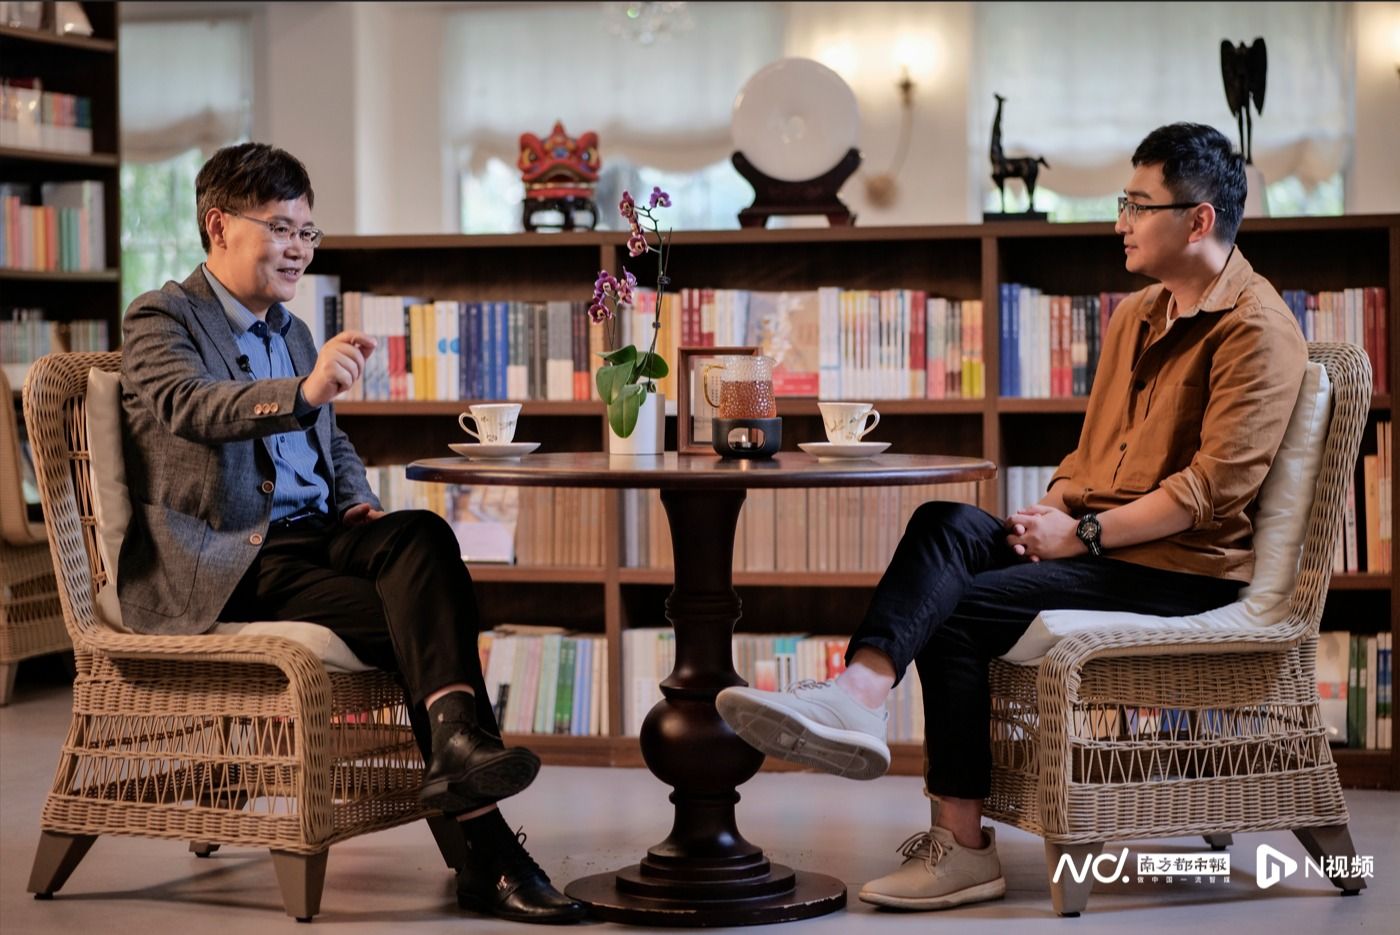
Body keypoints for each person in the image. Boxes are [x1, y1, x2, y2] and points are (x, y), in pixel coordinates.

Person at [716, 122, 1307, 911]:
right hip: (1100, 549)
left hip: (1180, 572)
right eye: (1123, 202)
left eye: (1138, 205)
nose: (1120, 221)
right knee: (944, 523)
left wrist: (1082, 534)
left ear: (1198, 219)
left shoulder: (1257, 329)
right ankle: (859, 690)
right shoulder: (1138, 314)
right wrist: (1052, 511)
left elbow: (1210, 493)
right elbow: (1090, 455)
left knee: (957, 612)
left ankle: (963, 847)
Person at [117, 142, 586, 925]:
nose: (299, 247)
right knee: (426, 622)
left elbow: (331, 443)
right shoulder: (162, 318)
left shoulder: (294, 330)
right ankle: (489, 853)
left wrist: (359, 499)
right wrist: (302, 391)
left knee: (421, 536)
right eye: (281, 228)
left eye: (308, 231)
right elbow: (189, 407)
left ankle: (457, 751)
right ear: (219, 225)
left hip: (320, 532)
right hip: (235, 556)